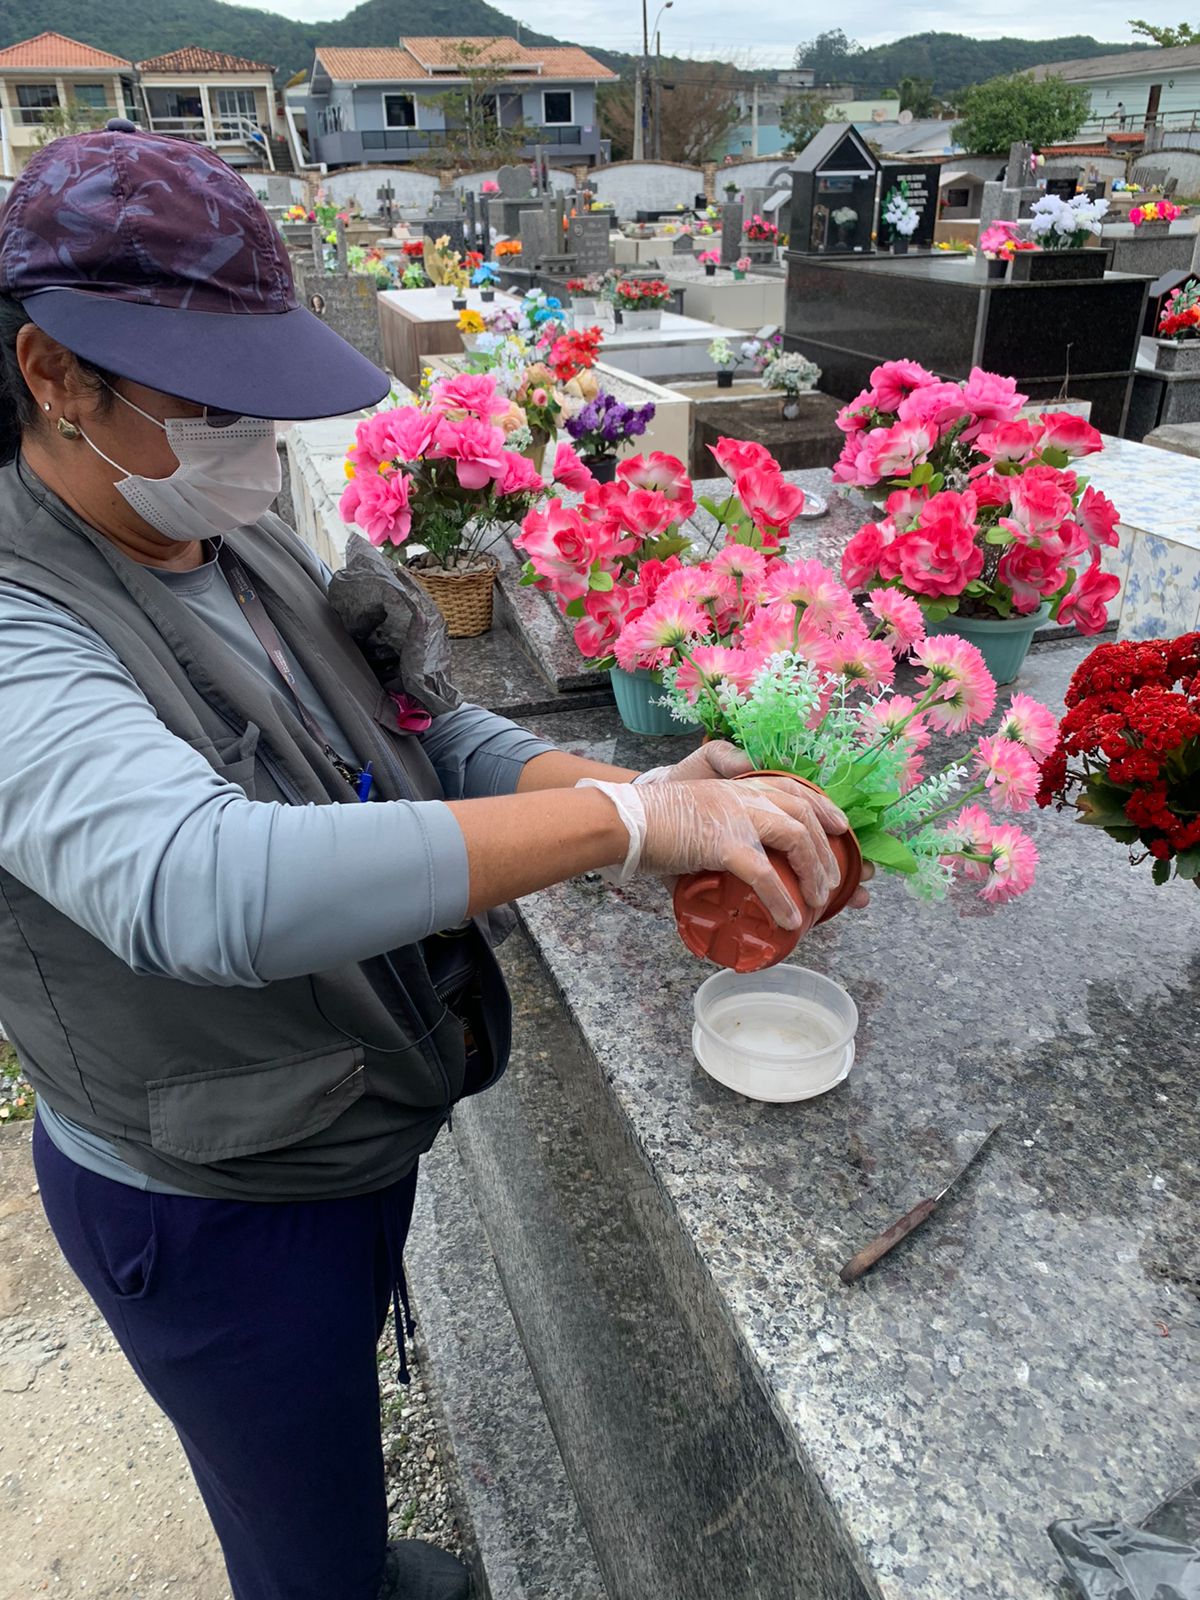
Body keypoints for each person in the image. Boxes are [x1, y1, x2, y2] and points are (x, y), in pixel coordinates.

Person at [0, 124, 866, 1600]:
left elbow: (426, 730)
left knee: (324, 1449)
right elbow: (197, 884)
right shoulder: (27, 620)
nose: (253, 444)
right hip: (207, 1198)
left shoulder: (214, 530)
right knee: (301, 1546)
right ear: (52, 376)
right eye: (214, 401)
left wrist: (645, 790)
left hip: (336, 1121)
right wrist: (630, 827)